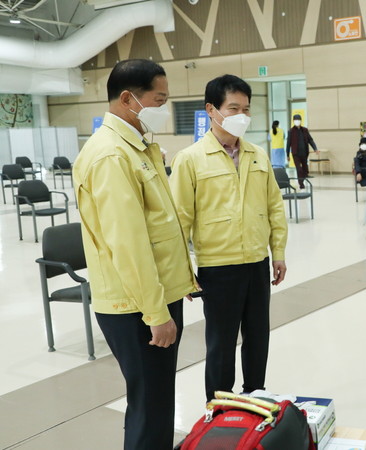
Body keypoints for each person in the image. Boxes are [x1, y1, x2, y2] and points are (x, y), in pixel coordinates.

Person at [72, 59, 197, 450]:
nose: (164, 108)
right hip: (136, 305)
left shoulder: (136, 146)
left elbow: (160, 225)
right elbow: (129, 244)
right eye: (159, 100)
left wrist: (181, 281)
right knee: (150, 405)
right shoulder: (111, 156)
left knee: (155, 401)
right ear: (128, 99)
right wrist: (156, 313)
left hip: (152, 293)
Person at [169, 74, 288, 402]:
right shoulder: (190, 159)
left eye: (246, 109)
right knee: (221, 344)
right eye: (233, 108)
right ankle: (219, 407)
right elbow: (179, 221)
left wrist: (277, 252)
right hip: (218, 268)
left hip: (257, 263)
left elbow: (274, 208)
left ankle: (255, 397)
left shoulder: (258, 155)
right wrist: (182, 272)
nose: (242, 116)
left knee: (258, 338)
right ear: (211, 110)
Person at [286, 113, 317, 189]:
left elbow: (310, 140)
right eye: (295, 120)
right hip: (296, 154)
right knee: (299, 169)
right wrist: (287, 155)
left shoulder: (305, 130)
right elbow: (288, 143)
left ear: (301, 121)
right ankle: (301, 184)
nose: (297, 121)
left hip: (304, 153)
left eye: (298, 120)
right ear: (293, 121)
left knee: (305, 169)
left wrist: (315, 148)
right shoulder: (291, 131)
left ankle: (303, 177)